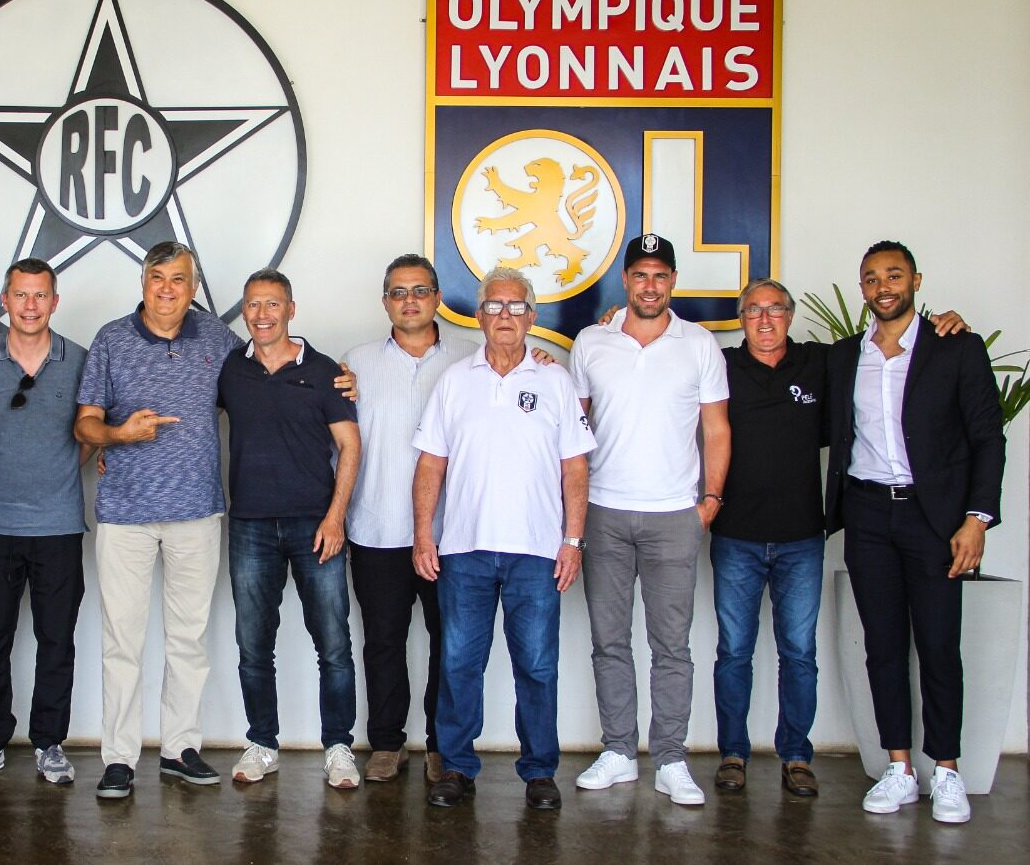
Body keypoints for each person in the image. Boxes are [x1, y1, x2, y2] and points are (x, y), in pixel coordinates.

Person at [73, 240, 354, 800]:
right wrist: (117, 435)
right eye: (158, 278)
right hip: (125, 515)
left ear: (193, 287)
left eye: (179, 279)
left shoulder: (221, 342)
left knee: (188, 640)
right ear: (144, 282)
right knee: (121, 642)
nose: (168, 289)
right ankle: (120, 758)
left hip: (198, 513)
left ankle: (181, 749)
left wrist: (338, 379)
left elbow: (272, 379)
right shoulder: (110, 339)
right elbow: (85, 425)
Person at [705, 279, 968, 798]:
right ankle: (732, 753)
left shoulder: (823, 363)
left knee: (799, 653)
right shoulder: (719, 366)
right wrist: (610, 322)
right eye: (753, 311)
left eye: (775, 309)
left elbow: (893, 349)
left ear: (790, 314)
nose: (764, 320)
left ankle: (796, 756)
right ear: (740, 319)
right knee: (734, 652)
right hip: (735, 535)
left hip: (803, 536)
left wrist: (945, 327)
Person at [825, 240, 1004, 825]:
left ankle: (946, 769)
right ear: (863, 288)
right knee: (882, 648)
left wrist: (976, 519)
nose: (883, 286)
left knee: (937, 646)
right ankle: (899, 768)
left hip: (935, 519)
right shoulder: (845, 355)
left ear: (916, 281)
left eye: (894, 275)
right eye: (872, 277)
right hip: (870, 515)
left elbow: (987, 439)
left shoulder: (957, 348)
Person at [412, 267, 593, 810]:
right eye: (495, 306)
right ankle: (457, 768)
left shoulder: (555, 382)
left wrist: (574, 540)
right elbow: (430, 465)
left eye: (516, 307)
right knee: (460, 663)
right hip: (464, 548)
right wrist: (424, 533)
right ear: (479, 315)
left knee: (536, 666)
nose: (505, 317)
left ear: (532, 317)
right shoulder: (455, 381)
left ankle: (539, 772)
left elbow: (575, 469)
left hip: (537, 552)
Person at [569, 233, 729, 806]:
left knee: (672, 645)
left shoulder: (700, 344)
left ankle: (670, 758)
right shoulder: (592, 341)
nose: (651, 285)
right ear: (626, 281)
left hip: (672, 516)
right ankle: (618, 751)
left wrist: (708, 502)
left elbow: (715, 428)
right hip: (606, 512)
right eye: (640, 275)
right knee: (609, 641)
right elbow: (573, 429)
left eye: (661, 275)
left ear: (672, 283)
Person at [218, 269, 362, 790]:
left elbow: (350, 446)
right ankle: (262, 742)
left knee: (334, 645)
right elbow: (185, 414)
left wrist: (335, 517)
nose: (262, 314)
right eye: (253, 305)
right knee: (254, 645)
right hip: (250, 526)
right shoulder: (230, 369)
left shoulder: (324, 371)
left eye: (272, 304)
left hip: (314, 525)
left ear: (291, 310)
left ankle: (339, 746)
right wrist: (112, 455)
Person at [342, 254, 472, 784]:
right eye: (398, 292)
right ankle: (387, 744)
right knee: (382, 641)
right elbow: (337, 445)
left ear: (438, 297)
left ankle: (444, 744)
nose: (410, 300)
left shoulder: (472, 359)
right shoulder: (356, 363)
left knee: (452, 642)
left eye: (420, 290)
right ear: (385, 302)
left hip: (453, 531)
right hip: (377, 527)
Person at [0, 259, 91, 785]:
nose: (30, 305)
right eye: (20, 295)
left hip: (59, 526)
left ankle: (49, 743)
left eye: (40, 296)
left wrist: (56, 474)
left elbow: (92, 431)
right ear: (5, 300)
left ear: (54, 302)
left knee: (56, 639)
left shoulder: (80, 360)